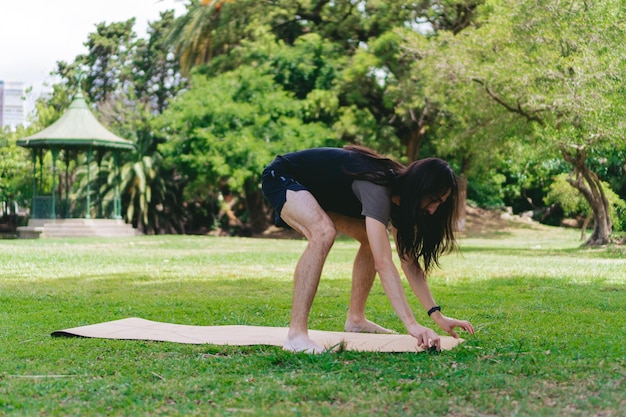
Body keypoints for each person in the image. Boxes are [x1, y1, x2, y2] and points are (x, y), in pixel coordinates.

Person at [261, 145, 474, 353]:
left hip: (320, 194)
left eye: (441, 203)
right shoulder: (379, 187)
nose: (433, 209)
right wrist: (411, 324)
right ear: (420, 188)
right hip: (283, 175)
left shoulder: (403, 201)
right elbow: (383, 263)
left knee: (369, 239)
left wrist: (437, 316)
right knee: (323, 233)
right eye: (433, 199)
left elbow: (408, 261)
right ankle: (296, 335)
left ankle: (356, 319)